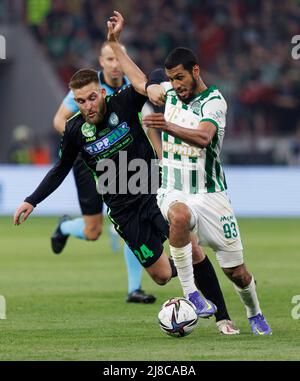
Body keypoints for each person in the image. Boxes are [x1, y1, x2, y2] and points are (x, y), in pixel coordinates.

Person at [142, 49, 273, 335]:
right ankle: (192, 294)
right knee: (178, 217)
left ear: (196, 71)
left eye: (180, 77)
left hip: (211, 195)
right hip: (174, 189)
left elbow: (203, 137)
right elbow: (139, 77)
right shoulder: (171, 92)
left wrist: (167, 125)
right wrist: (116, 45)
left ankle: (254, 312)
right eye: (171, 79)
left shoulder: (214, 102)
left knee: (236, 273)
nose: (175, 84)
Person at [52, 41, 158, 304]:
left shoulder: (130, 86)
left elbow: (149, 124)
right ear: (101, 63)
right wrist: (85, 143)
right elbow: (59, 120)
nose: (113, 64)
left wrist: (159, 155)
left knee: (134, 219)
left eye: (117, 59)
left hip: (123, 159)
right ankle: (65, 227)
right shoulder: (88, 89)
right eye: (108, 59)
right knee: (93, 231)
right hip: (90, 161)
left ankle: (134, 288)